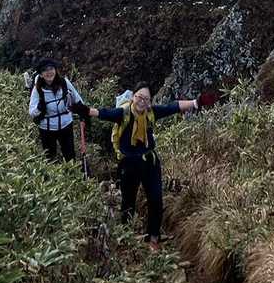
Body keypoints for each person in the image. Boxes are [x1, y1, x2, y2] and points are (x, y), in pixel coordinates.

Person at [72, 86, 217, 247]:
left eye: (146, 99)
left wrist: (197, 102)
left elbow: (173, 107)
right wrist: (85, 110)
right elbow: (104, 113)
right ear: (133, 97)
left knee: (156, 199)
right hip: (129, 164)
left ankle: (153, 238)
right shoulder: (123, 113)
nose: (142, 101)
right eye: (139, 97)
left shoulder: (151, 112)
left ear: (149, 102)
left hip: (150, 162)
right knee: (128, 202)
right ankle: (125, 239)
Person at [28, 58, 86, 162]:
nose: (49, 72)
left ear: (55, 70)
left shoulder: (64, 83)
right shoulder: (38, 89)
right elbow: (32, 112)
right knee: (50, 159)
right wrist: (39, 108)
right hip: (47, 129)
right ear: (41, 74)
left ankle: (71, 171)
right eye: (45, 70)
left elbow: (77, 100)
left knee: (70, 157)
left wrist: (83, 111)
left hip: (66, 125)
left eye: (51, 69)